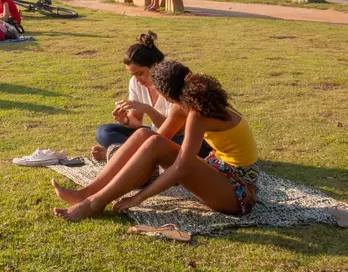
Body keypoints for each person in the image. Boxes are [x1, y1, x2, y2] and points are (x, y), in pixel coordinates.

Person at [53, 60, 259, 221]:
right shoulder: (185, 105)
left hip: (238, 193)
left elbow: (181, 167)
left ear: (166, 95)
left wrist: (138, 198)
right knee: (144, 135)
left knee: (153, 143)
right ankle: (86, 193)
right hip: (219, 170)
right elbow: (154, 140)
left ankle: (95, 203)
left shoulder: (197, 113)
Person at [92, 33, 211, 161]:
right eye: (133, 74)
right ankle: (129, 154)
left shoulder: (171, 83)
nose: (137, 79)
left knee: (157, 141)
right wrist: (125, 120)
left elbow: (176, 130)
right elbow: (136, 121)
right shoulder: (135, 82)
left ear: (155, 66)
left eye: (140, 73)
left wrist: (149, 110)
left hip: (184, 138)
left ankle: (117, 154)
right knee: (104, 132)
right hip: (158, 134)